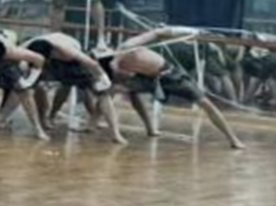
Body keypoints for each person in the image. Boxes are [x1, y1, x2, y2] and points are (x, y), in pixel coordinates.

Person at [100, 27, 244, 149]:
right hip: (147, 79)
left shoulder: (127, 46)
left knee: (205, 103)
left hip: (170, 74)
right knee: (108, 92)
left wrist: (184, 32)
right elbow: (125, 74)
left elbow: (157, 32)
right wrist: (118, 70)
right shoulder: (112, 65)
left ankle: (233, 139)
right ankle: (103, 128)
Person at [24, 31, 125, 145]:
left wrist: (104, 80)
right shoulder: (27, 47)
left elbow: (92, 64)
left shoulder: (67, 50)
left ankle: (115, 133)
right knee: (30, 86)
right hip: (46, 57)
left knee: (103, 93)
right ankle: (44, 119)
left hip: (75, 62)